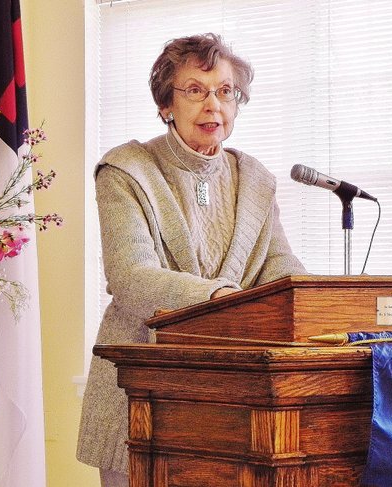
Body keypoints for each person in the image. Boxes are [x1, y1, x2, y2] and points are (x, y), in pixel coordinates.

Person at [76, 33, 306, 486]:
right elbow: (131, 276)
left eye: (225, 92)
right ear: (166, 104)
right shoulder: (127, 170)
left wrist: (319, 302)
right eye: (195, 90)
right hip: (141, 391)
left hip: (231, 400)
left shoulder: (255, 179)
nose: (213, 105)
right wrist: (218, 298)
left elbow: (281, 269)